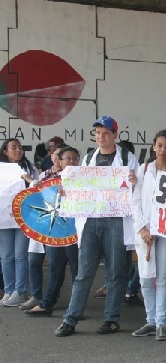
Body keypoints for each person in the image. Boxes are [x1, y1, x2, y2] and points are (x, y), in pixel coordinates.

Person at [54, 116, 139, 337]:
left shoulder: (127, 158)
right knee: (84, 273)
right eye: (98, 133)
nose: (101, 136)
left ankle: (111, 319)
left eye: (106, 133)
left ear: (114, 134)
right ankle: (70, 320)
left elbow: (138, 188)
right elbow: (81, 187)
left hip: (116, 220)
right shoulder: (89, 157)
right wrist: (68, 191)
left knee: (116, 273)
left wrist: (134, 181)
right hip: (91, 219)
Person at [130, 130, 166, 341]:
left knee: (162, 277)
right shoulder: (143, 170)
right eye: (159, 145)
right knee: (145, 278)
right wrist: (142, 228)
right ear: (154, 146)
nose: (163, 150)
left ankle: (161, 322)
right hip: (146, 231)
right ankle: (150, 320)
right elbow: (134, 201)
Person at [25, 147, 81, 316]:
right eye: (67, 158)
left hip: (76, 232)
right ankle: (47, 304)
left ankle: (76, 307)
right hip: (55, 230)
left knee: (77, 269)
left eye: (74, 158)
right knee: (55, 267)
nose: (71, 161)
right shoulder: (48, 179)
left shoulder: (85, 178)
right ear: (60, 161)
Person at [21, 143, 66, 311]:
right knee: (33, 260)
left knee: (55, 264)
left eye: (62, 155)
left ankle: (49, 299)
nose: (58, 158)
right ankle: (36, 295)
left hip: (59, 226)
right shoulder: (45, 174)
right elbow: (35, 193)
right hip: (41, 222)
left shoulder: (69, 176)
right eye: (56, 154)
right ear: (51, 156)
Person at [0, 138, 38, 307]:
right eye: (13, 148)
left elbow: (37, 186)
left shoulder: (29, 168)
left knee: (20, 255)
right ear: (5, 152)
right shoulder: (1, 169)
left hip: (24, 217)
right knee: (6, 256)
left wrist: (29, 179)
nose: (18, 150)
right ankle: (9, 290)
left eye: (20, 147)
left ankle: (20, 291)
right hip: (4, 217)